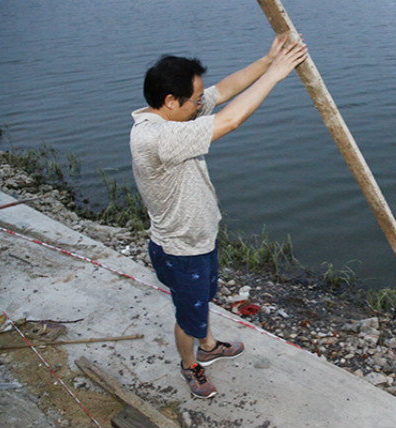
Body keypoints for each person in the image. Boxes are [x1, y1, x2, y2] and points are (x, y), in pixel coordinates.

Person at [130, 35, 308, 399]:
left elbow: (224, 91)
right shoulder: (157, 137)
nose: (202, 104)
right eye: (195, 100)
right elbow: (231, 120)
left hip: (198, 239)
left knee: (200, 301)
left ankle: (208, 347)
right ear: (171, 101)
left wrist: (266, 59)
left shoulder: (176, 113)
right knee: (188, 315)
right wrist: (275, 74)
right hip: (182, 250)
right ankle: (189, 364)